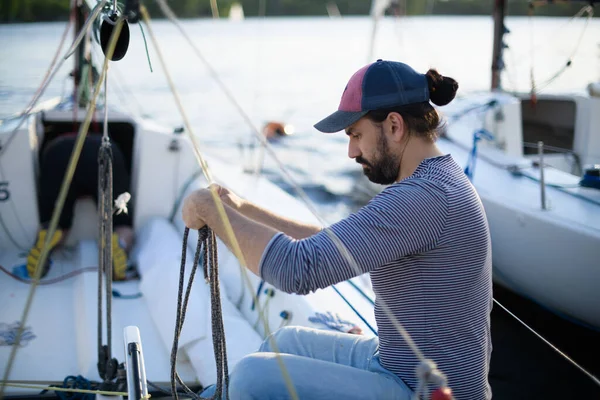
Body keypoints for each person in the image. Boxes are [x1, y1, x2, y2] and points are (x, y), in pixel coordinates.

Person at [182, 59, 492, 399]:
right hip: (397, 362)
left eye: (356, 135)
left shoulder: (423, 197)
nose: (351, 152)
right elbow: (332, 243)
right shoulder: (435, 180)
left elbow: (297, 269)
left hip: (424, 389)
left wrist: (208, 209)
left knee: (251, 378)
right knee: (285, 342)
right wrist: (241, 208)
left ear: (393, 125)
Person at [26, 133, 134, 281]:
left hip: (58, 153)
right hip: (105, 152)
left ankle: (49, 238)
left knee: (56, 223)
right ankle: (119, 243)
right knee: (120, 223)